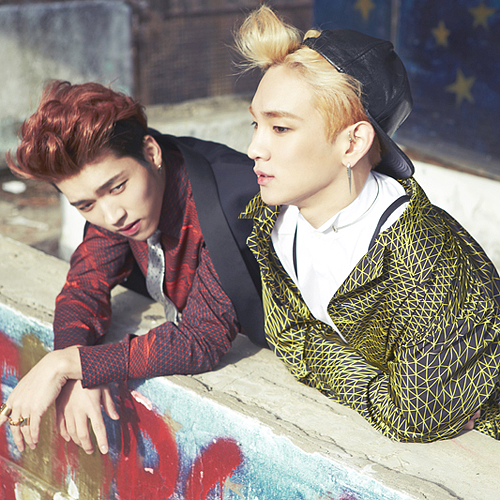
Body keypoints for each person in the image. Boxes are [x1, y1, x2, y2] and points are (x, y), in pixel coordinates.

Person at [234, 5, 500, 442]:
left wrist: (329, 360)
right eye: (255, 122)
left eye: (279, 128)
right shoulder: (273, 220)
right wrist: (378, 385)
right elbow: (289, 338)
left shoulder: (424, 259)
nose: (253, 148)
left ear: (353, 142)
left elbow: (416, 417)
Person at [0, 80, 264, 455]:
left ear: (151, 152)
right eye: (86, 205)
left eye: (117, 187)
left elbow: (201, 340)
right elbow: (84, 287)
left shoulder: (229, 205)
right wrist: (73, 370)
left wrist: (67, 364)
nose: (112, 215)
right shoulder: (122, 201)